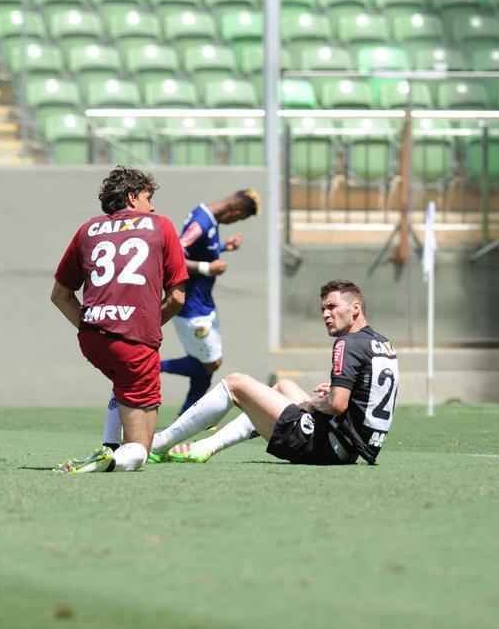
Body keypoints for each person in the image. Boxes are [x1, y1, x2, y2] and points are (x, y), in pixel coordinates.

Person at [150, 280, 398, 466]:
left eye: (332, 307)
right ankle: (206, 446)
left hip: (326, 447)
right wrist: (333, 396)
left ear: (355, 308)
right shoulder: (382, 342)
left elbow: (337, 404)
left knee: (235, 383)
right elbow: (365, 396)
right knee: (283, 386)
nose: (325, 314)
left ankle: (159, 443)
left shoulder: (347, 343)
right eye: (323, 309)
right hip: (349, 448)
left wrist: (314, 404)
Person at [50, 167, 188, 473]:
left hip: (92, 339)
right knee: (139, 451)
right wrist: (143, 324)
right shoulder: (161, 226)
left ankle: (109, 443)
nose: (152, 206)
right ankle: (108, 457)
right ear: (132, 196)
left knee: (122, 382)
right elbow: (177, 298)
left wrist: (94, 326)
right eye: (148, 198)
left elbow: (60, 295)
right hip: (135, 342)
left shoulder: (87, 229)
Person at [159, 189, 259, 415]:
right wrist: (207, 268)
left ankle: (185, 416)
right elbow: (172, 256)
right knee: (210, 364)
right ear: (235, 210)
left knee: (204, 364)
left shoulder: (209, 219)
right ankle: (153, 366)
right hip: (192, 309)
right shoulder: (201, 222)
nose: (236, 221)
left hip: (203, 304)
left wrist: (224, 247)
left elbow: (200, 248)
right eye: (239, 218)